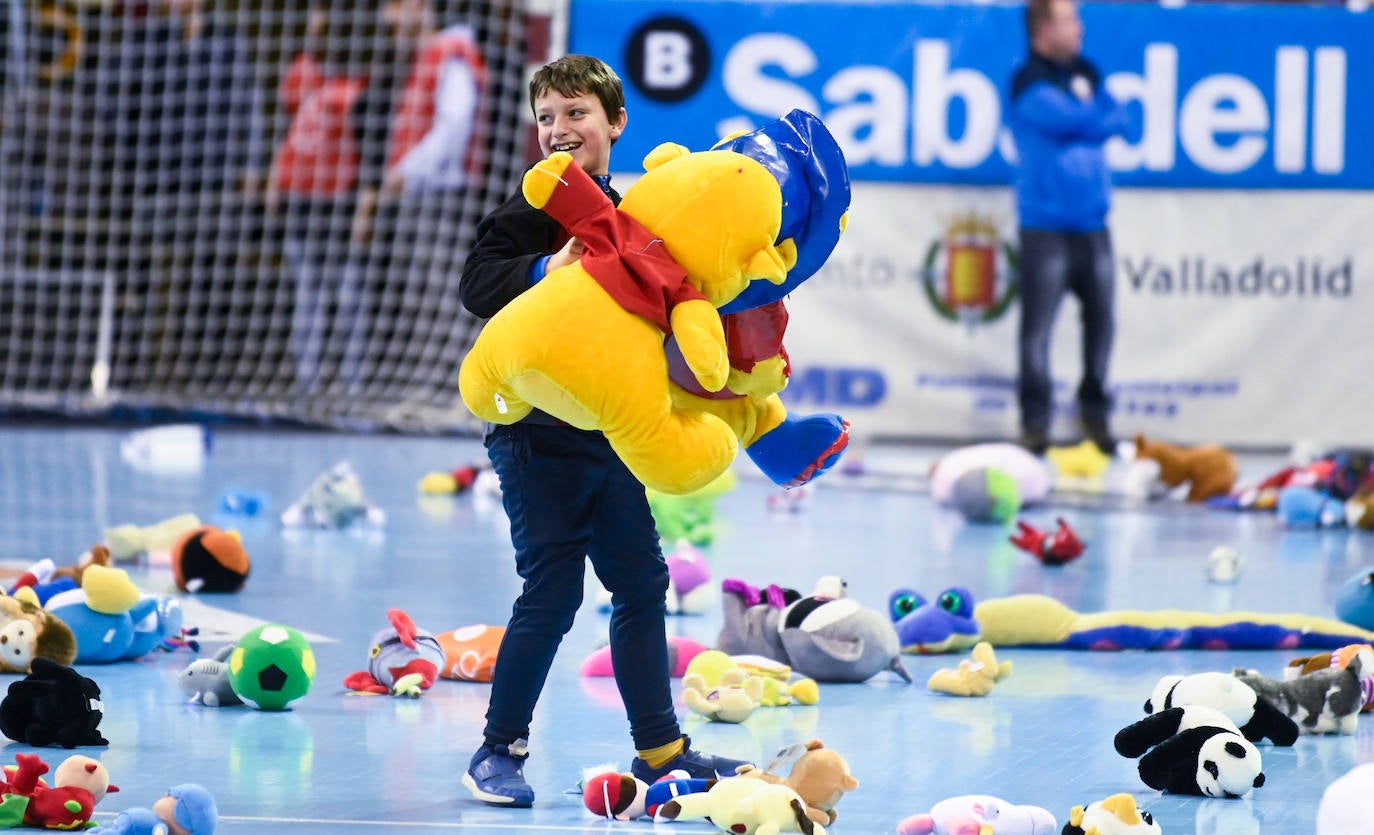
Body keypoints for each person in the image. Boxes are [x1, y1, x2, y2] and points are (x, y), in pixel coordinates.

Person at [457, 54, 751, 808]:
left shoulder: (642, 216)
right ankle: (498, 748)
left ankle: (660, 750)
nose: (560, 129)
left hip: (614, 435)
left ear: (615, 123)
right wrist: (544, 269)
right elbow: (476, 286)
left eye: (576, 113)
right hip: (534, 438)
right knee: (551, 592)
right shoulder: (526, 214)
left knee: (642, 582)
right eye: (547, 117)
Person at [1007, 0, 1129, 456]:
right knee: (1037, 330)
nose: (1079, 28)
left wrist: (1089, 119)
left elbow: (1122, 118)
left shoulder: (1088, 72)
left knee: (1101, 326)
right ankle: (1035, 423)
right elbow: (1070, 118)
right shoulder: (1027, 82)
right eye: (1069, 19)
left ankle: (1095, 417)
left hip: (1094, 226)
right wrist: (1091, 120)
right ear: (1043, 28)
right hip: (1045, 229)